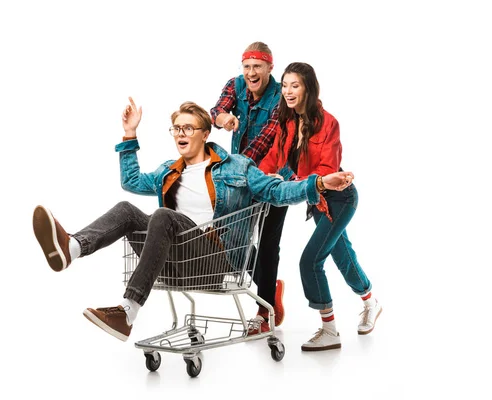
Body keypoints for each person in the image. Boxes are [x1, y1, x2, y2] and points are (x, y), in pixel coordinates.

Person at [33, 97, 355, 342]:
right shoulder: (168, 172)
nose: (181, 134)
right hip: (173, 261)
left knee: (163, 216)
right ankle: (71, 247)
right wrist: (129, 135)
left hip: (215, 261)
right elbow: (131, 181)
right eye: (176, 129)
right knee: (126, 209)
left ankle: (127, 313)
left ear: (204, 133)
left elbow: (278, 190)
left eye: (188, 128)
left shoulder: (237, 168)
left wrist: (318, 183)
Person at [259, 62, 382, 351]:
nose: (288, 91)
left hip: (339, 198)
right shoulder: (287, 122)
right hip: (317, 201)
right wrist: (259, 176)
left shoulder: (328, 122)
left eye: (295, 85)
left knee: (310, 261)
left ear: (308, 88)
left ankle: (329, 330)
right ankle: (371, 302)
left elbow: (327, 169)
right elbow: (274, 156)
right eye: (285, 85)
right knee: (343, 256)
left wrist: (299, 181)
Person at [210, 41, 287, 333]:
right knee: (231, 234)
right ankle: (270, 286)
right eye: (247, 67)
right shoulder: (236, 85)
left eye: (257, 67)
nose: (251, 73)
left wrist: (235, 168)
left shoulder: (281, 96)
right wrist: (224, 118)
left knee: (267, 243)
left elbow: (265, 141)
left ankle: (263, 311)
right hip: (241, 174)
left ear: (270, 67)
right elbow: (216, 110)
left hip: (275, 178)